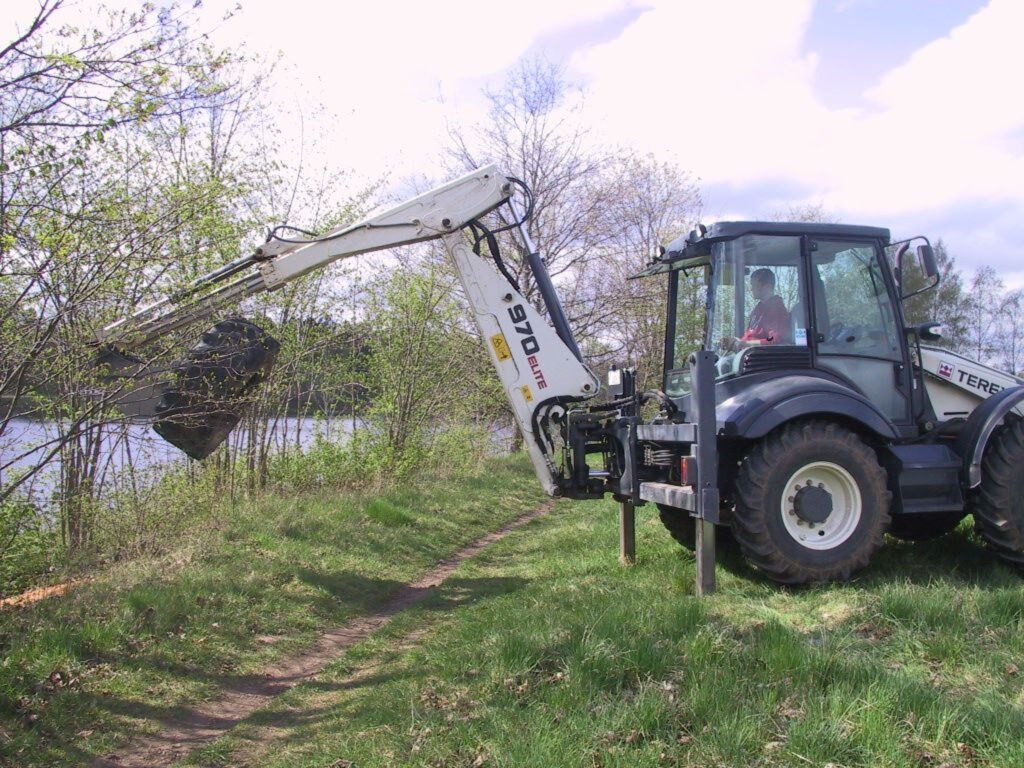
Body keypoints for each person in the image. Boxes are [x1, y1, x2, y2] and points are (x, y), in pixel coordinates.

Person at [721, 268, 791, 351]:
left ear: (767, 286)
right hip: (748, 354)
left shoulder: (776, 310)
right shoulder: (758, 309)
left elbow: (773, 339)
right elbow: (751, 337)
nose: (751, 289)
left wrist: (744, 344)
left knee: (724, 363)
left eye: (754, 285)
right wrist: (736, 342)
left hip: (758, 359)